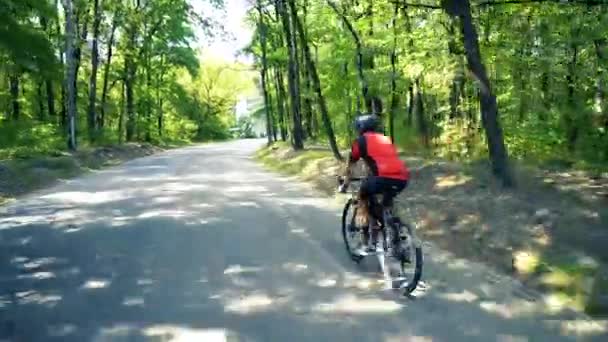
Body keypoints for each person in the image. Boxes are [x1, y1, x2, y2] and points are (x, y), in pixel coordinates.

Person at [339, 114, 410, 255]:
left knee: (362, 198)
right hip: (402, 178)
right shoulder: (385, 139)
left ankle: (367, 243)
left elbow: (350, 165)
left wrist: (345, 183)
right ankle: (394, 232)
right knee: (385, 205)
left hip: (381, 178)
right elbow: (383, 160)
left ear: (359, 128)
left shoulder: (360, 141)